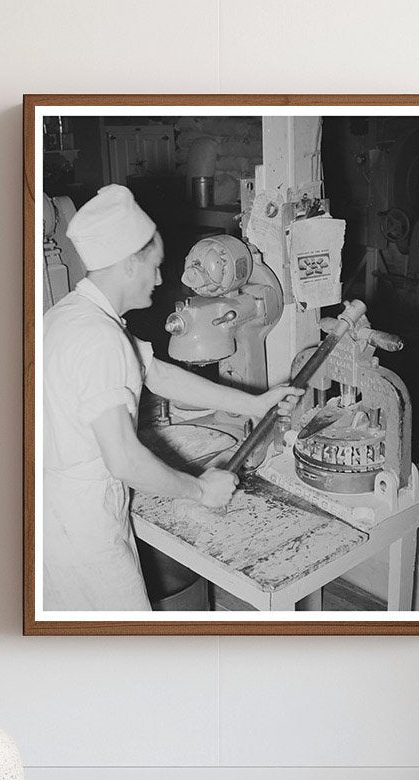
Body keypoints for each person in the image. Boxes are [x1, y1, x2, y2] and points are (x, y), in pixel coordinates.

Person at [43, 185, 300, 611]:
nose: (162, 279)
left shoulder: (73, 316)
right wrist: (200, 491)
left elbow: (157, 373)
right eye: (155, 267)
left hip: (54, 511)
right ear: (128, 265)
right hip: (80, 527)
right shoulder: (99, 340)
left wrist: (255, 404)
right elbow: (124, 460)